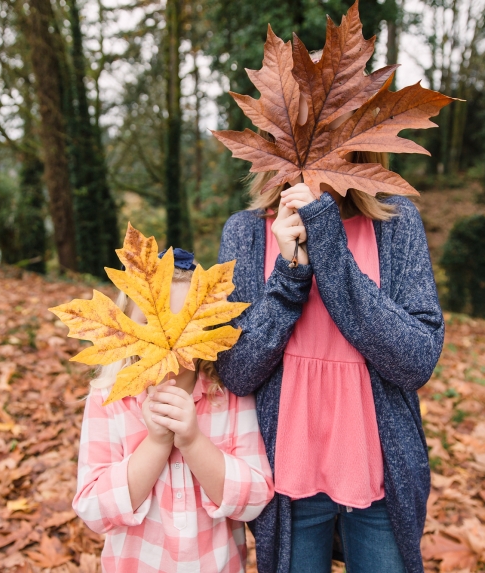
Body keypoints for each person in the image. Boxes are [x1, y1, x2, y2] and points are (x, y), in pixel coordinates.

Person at [215, 141, 444, 571]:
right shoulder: (245, 232)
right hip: (285, 479)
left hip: (380, 477)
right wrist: (290, 275)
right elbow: (237, 372)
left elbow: (416, 360)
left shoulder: (395, 221)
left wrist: (329, 245)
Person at [72, 248, 275, 573]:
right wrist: (155, 444)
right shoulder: (109, 399)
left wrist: (194, 442)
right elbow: (93, 508)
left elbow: (255, 497)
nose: (170, 342)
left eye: (186, 328)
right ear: (124, 331)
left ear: (208, 331)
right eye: (147, 324)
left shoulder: (228, 394)